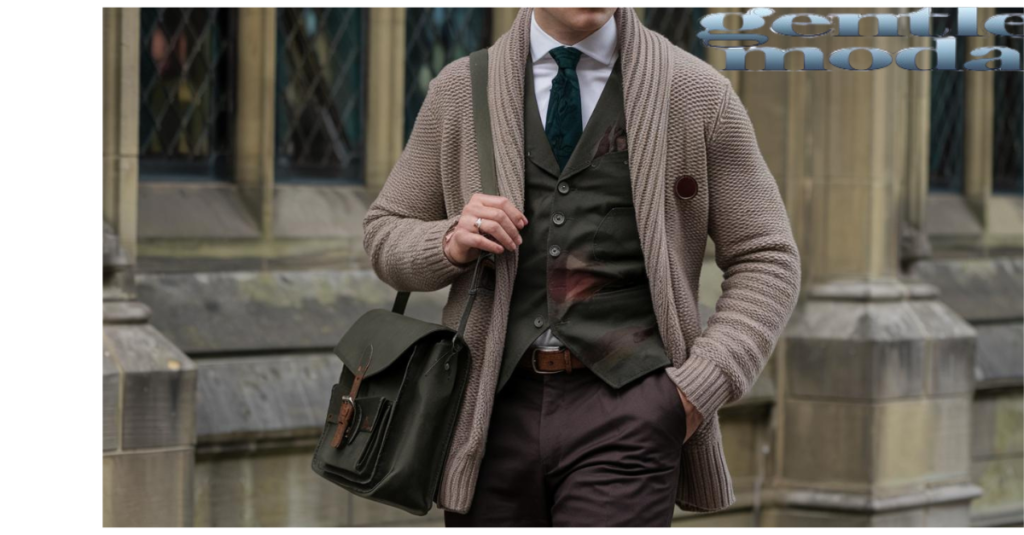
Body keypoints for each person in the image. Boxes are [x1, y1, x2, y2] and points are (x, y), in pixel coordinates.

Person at [362, 7, 801, 527]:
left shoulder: (696, 93)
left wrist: (695, 390)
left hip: (633, 413)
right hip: (489, 415)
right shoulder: (461, 89)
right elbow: (384, 232)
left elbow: (767, 256)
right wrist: (449, 239)